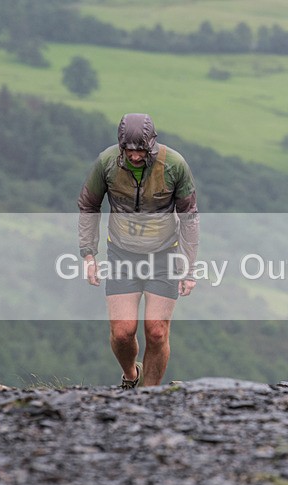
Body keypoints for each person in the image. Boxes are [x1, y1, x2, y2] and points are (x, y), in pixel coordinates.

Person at [78, 113, 199, 388]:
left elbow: (190, 217)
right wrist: (89, 254)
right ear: (121, 146)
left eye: (141, 150)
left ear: (151, 145)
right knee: (122, 332)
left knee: (156, 332)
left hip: (164, 254)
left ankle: (149, 396)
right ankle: (132, 376)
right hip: (122, 254)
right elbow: (88, 205)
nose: (134, 156)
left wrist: (189, 268)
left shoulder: (174, 165)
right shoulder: (106, 163)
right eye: (129, 150)